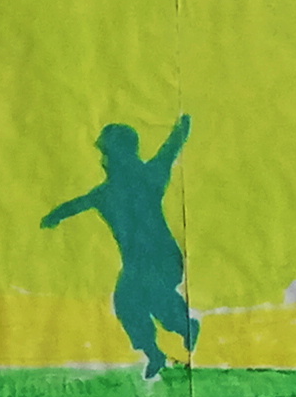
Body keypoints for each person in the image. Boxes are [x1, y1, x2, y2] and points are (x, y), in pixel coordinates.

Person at [41, 116, 198, 378]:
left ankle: (185, 327)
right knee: (128, 304)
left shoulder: (148, 177)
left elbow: (169, 150)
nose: (104, 161)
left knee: (152, 298)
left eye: (108, 154)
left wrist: (182, 128)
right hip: (136, 265)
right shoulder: (106, 193)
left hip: (163, 260)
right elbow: (78, 204)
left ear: (123, 155)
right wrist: (55, 215)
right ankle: (157, 351)